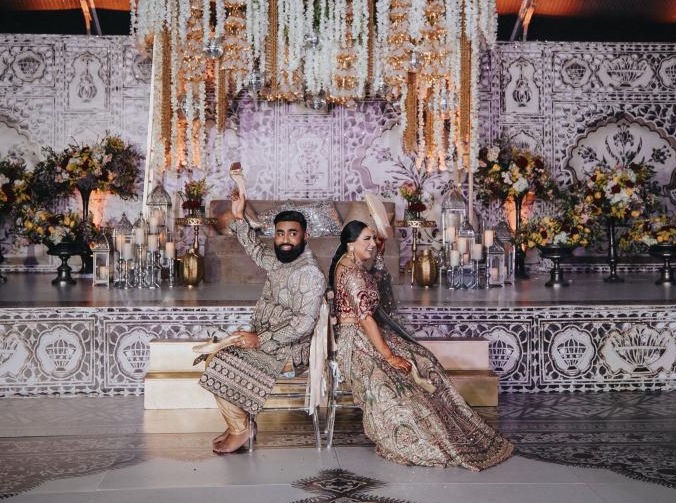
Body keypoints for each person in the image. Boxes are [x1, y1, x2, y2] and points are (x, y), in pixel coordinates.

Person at [330, 219, 513, 470]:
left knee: (423, 359)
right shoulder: (351, 274)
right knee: (400, 382)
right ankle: (423, 439)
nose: (373, 244)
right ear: (351, 244)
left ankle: (448, 429)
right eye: (367, 239)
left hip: (367, 333)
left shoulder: (355, 266)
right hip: (357, 340)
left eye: (374, 238)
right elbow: (366, 318)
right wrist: (388, 355)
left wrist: (378, 257)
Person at [199, 187, 327, 454]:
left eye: (292, 233)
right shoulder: (282, 261)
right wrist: (238, 217)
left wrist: (259, 339)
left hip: (291, 353)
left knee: (220, 362)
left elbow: (304, 323)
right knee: (216, 354)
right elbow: (255, 250)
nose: (285, 239)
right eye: (280, 233)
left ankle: (241, 428)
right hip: (270, 345)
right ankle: (239, 422)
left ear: (305, 235)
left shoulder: (309, 272)